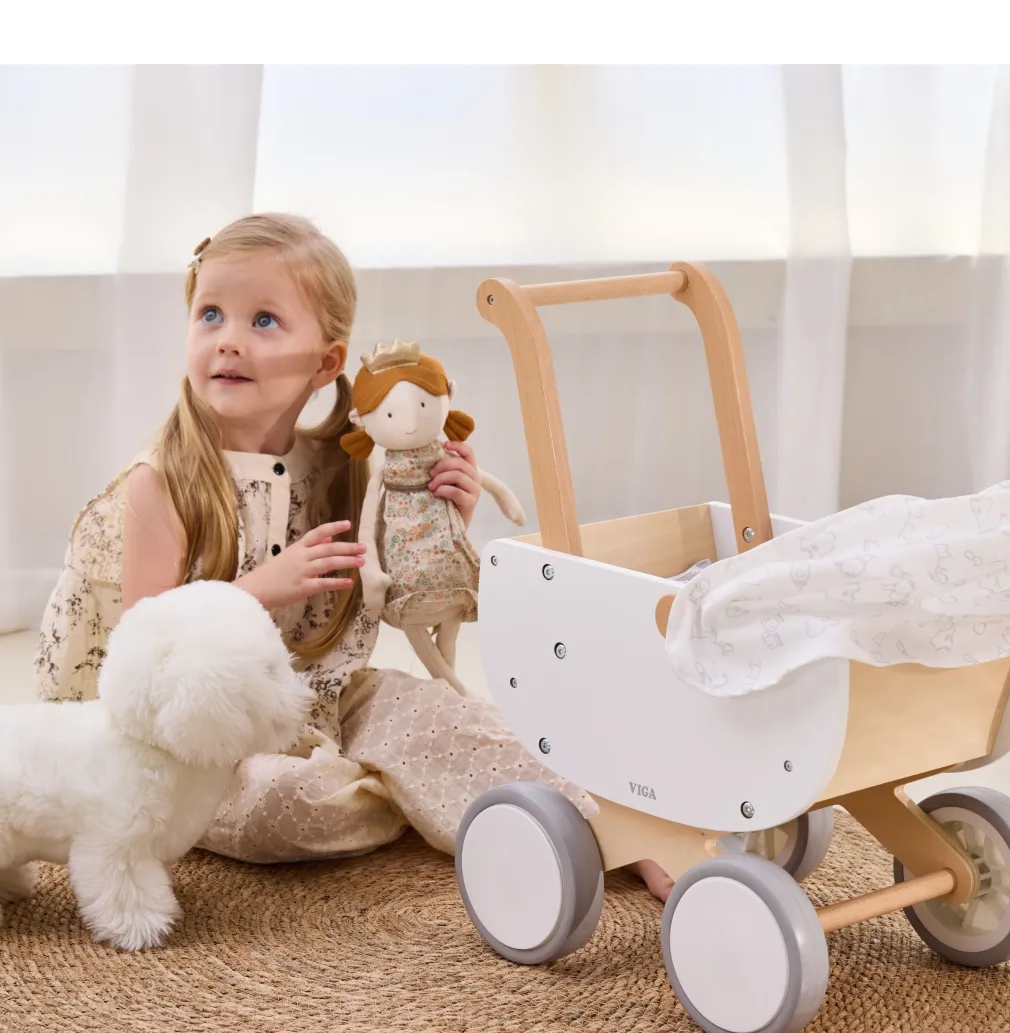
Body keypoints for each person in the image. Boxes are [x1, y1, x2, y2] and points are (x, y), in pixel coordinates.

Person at [36, 213, 675, 899]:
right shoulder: (163, 481)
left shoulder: (341, 468)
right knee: (285, 801)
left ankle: (620, 828)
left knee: (460, 721)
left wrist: (440, 528)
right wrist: (259, 590)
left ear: (327, 362)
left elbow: (389, 604)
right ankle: (402, 786)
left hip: (318, 697)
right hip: (189, 740)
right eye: (210, 314)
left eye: (263, 321)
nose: (227, 340)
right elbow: (142, 663)